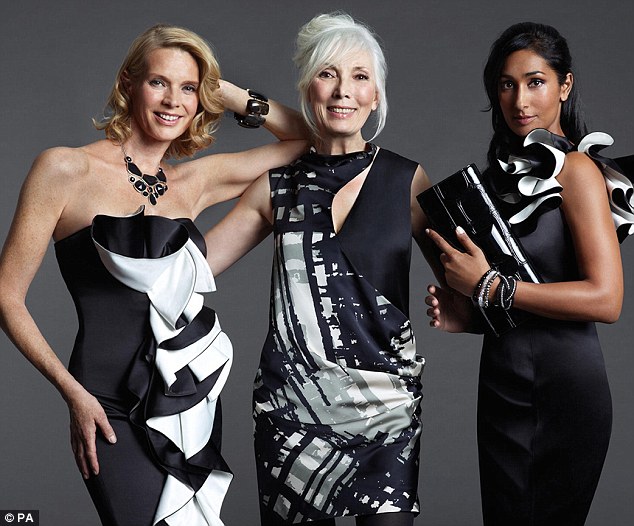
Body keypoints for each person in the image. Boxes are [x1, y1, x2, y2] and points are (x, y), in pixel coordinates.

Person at [0, 24, 307, 526]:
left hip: (182, 401)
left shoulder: (194, 181)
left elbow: (313, 140)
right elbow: (6, 295)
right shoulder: (65, 169)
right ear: (128, 83)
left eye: (188, 88)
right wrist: (71, 392)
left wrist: (227, 93)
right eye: (159, 82)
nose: (173, 101)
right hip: (103, 403)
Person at [204, 11, 435, 526]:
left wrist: (465, 304)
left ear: (376, 94)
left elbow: (467, 275)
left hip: (388, 410)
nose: (343, 90)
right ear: (308, 87)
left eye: (360, 76)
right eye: (327, 74)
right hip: (293, 411)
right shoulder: (277, 185)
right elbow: (192, 271)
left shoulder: (406, 179)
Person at [425, 22, 634, 525]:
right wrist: (470, 315)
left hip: (564, 388)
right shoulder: (495, 180)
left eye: (535, 82)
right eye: (507, 84)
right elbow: (517, 300)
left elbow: (606, 299)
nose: (520, 100)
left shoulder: (577, 171)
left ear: (564, 85)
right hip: (502, 385)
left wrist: (491, 287)